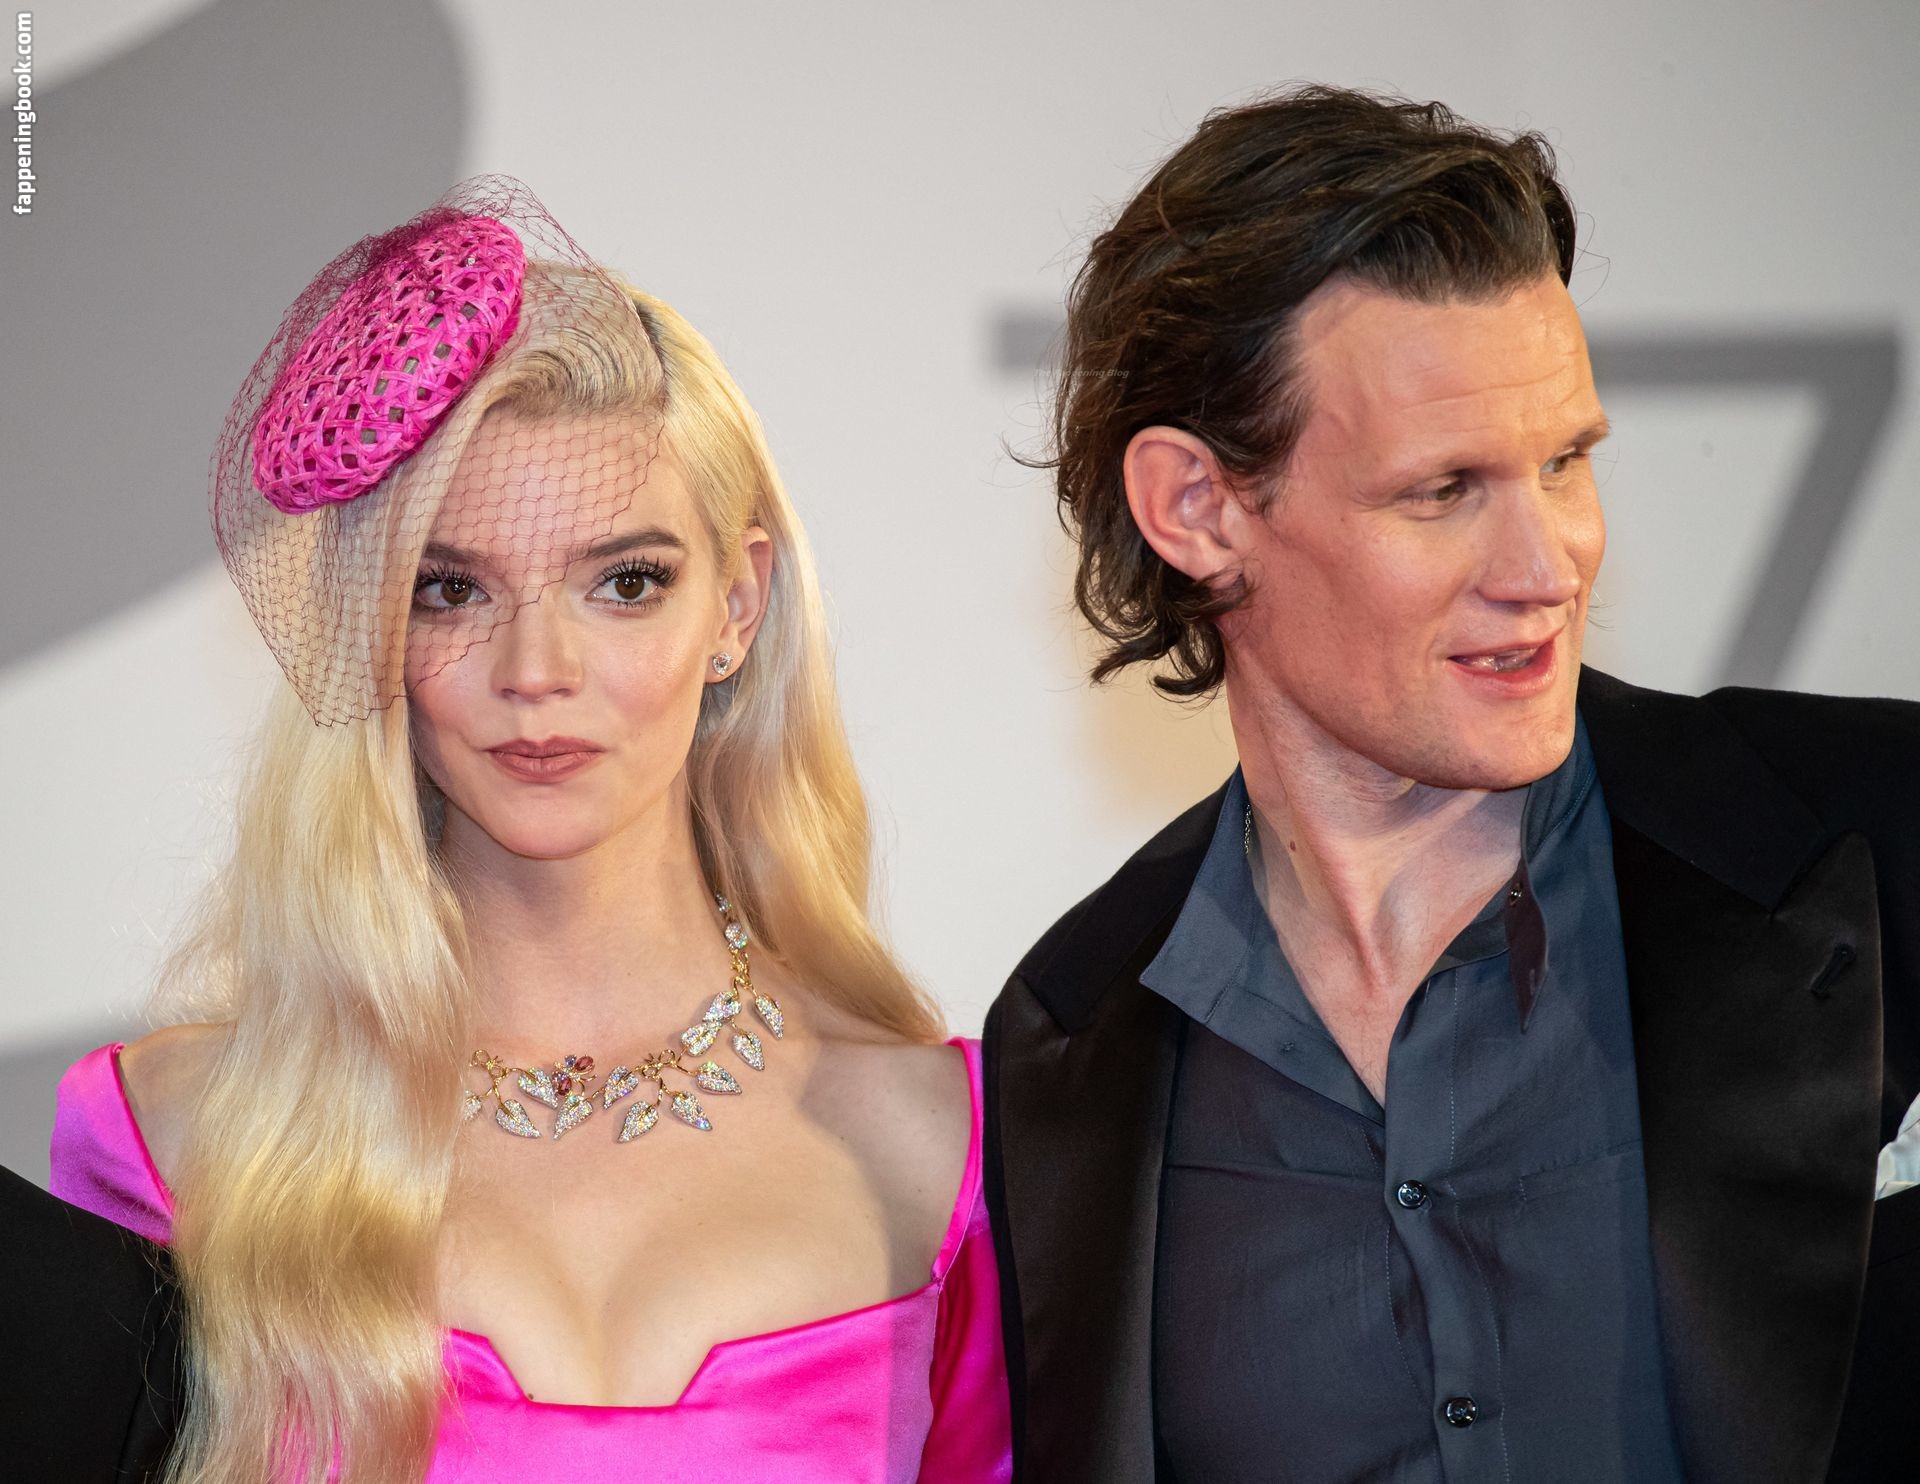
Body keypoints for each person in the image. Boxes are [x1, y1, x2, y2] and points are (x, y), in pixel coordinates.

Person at [982, 86, 1920, 1484]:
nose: (1549, 565)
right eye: (1443, 490)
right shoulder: (1072, 1044)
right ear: (1198, 508)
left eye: (1566, 462)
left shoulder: (1881, 841)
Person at [48, 178, 1010, 1483]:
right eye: (451, 591)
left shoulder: (948, 1148)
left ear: (737, 607)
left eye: (626, 582)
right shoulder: (172, 1135)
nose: (536, 671)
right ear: (374, 625)